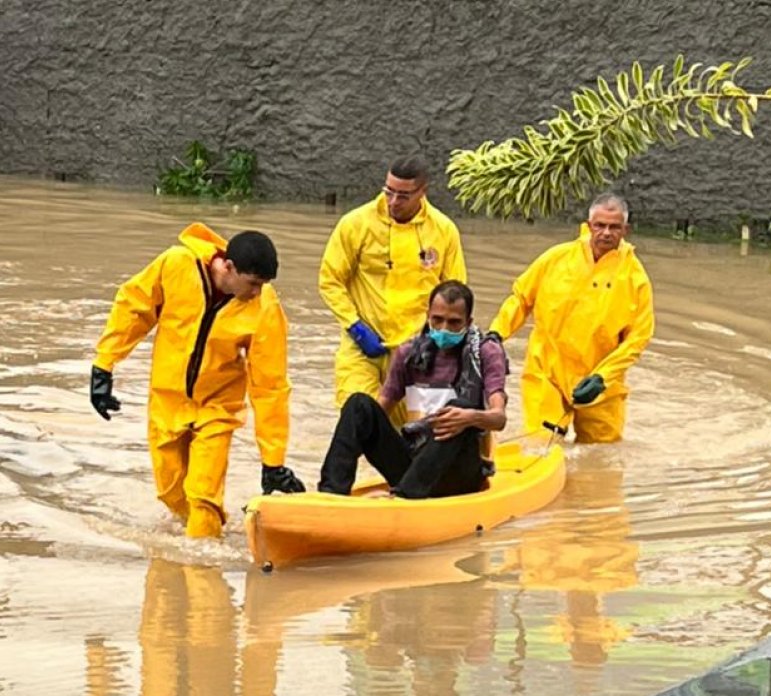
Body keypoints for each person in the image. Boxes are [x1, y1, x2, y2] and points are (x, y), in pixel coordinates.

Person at [90, 224, 305, 539]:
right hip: (168, 402)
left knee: (203, 496)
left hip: (218, 408)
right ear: (228, 267)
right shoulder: (176, 264)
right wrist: (103, 367)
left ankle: (205, 568)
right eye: (254, 283)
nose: (258, 292)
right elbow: (134, 308)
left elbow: (269, 386)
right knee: (171, 493)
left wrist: (273, 462)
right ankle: (204, 542)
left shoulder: (264, 307)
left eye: (264, 285)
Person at [318, 281, 507, 499]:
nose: (444, 329)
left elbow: (499, 418)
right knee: (359, 405)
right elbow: (378, 413)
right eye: (437, 320)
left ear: (469, 322)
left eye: (454, 323)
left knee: (458, 408)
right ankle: (330, 493)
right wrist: (353, 442)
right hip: (414, 463)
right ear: (428, 316)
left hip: (460, 472)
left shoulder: (486, 352)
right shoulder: (408, 353)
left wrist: (470, 417)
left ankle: (405, 497)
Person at [490, 193, 654, 443]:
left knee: (601, 453)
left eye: (614, 227)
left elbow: (638, 338)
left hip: (600, 381)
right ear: (589, 226)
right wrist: (496, 334)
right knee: (542, 443)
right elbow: (521, 298)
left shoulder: (635, 278)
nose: (606, 233)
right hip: (548, 372)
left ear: (625, 230)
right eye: (600, 225)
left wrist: (603, 377)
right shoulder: (556, 259)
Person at [319, 155, 468, 414]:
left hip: (419, 350)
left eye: (403, 196)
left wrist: (438, 341)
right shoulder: (356, 224)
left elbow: (455, 292)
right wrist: (354, 326)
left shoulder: (444, 230)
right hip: (364, 347)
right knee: (358, 419)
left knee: (422, 434)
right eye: (388, 192)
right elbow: (330, 280)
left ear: (422, 192)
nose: (393, 202)